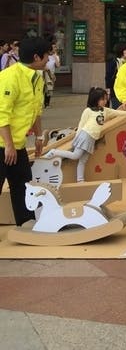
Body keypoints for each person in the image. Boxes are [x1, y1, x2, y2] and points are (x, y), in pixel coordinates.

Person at [0, 36, 49, 225]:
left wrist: (38, 136)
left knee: (23, 185)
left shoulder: (37, 78)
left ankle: (26, 224)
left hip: (17, 144)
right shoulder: (9, 77)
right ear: (36, 57)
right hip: (4, 144)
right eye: (47, 55)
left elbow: (36, 111)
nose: (49, 59)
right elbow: (2, 114)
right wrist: (8, 145)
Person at [43, 87, 126, 182]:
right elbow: (81, 125)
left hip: (92, 139)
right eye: (102, 99)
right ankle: (54, 152)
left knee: (83, 160)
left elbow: (117, 112)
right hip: (85, 136)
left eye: (106, 99)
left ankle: (80, 180)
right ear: (95, 99)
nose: (105, 101)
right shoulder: (88, 111)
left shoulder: (105, 111)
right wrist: (76, 138)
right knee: (76, 155)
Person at [105, 42, 126, 109]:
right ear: (121, 51)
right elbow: (108, 77)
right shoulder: (114, 62)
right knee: (118, 109)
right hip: (115, 91)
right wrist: (108, 91)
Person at [43, 40, 60, 108]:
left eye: (55, 47)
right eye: (53, 47)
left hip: (51, 74)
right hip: (44, 73)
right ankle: (43, 103)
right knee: (44, 88)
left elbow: (58, 65)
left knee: (49, 89)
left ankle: (47, 104)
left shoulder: (56, 56)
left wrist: (55, 56)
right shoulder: (45, 55)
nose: (54, 48)